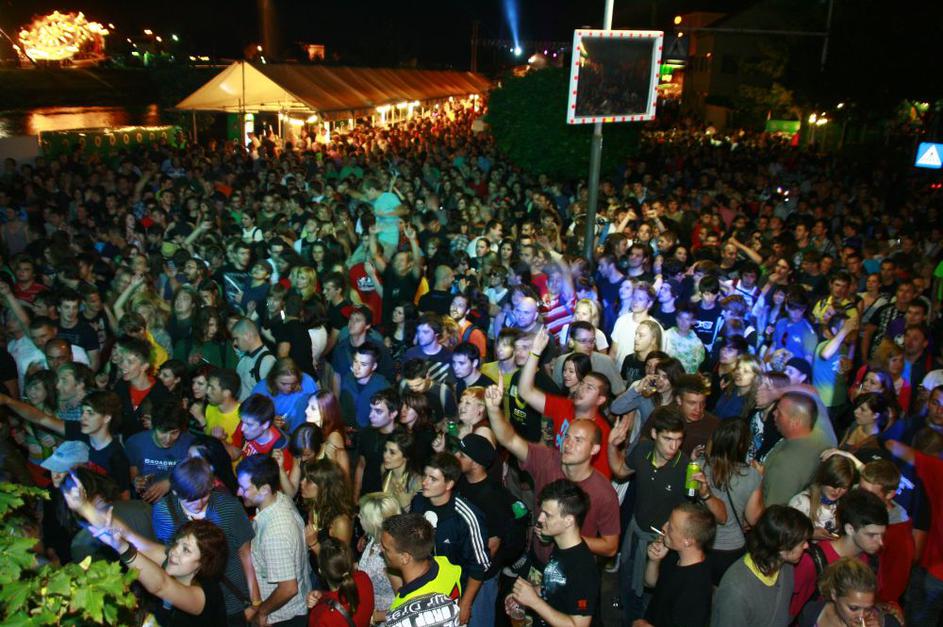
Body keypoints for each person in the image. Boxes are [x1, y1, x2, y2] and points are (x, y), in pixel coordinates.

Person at [485, 377, 620, 565]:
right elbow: (509, 439)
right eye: (567, 436)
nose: (568, 444)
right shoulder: (547, 459)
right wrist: (493, 410)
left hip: (572, 569)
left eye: (578, 440)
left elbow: (610, 546)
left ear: (594, 449)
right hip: (538, 559)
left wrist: (565, 536)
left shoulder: (603, 492)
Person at [67, 478, 230, 626]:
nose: (174, 552)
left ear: (204, 562)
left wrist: (122, 547)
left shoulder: (205, 594)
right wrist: (84, 507)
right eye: (177, 543)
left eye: (186, 550)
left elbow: (161, 586)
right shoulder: (174, 560)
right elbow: (128, 535)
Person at [151, 458, 260, 623]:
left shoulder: (229, 506)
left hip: (232, 601)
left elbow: (245, 553)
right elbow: (167, 557)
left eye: (205, 495)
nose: (200, 503)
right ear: (175, 492)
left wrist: (255, 601)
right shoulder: (163, 511)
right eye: (192, 499)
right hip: (189, 602)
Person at [0, 389, 131, 498]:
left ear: (107, 418)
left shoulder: (116, 456)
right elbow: (40, 418)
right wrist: (8, 401)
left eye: (90, 413)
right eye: (83, 412)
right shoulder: (78, 431)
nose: (83, 418)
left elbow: (124, 496)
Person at [519, 326, 612, 478]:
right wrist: (535, 352)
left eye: (589, 387)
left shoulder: (602, 431)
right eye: (582, 384)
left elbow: (600, 479)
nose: (581, 389)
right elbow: (525, 391)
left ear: (600, 399)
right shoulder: (563, 405)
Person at [409, 452, 491, 626]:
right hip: (424, 587)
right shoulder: (418, 501)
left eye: (433, 479)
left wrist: (465, 604)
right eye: (425, 475)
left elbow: (479, 565)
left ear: (449, 484)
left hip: (455, 591)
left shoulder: (467, 517)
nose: (424, 482)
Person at [505, 479, 599, 627]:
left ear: (568, 521)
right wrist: (525, 595)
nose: (540, 519)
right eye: (541, 512)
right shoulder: (560, 547)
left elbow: (579, 625)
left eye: (547, 515)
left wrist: (534, 602)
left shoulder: (582, 568)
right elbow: (554, 589)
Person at [236, 454, 311, 626]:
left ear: (264, 490)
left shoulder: (275, 533)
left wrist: (262, 612)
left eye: (244, 488)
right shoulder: (280, 498)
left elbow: (288, 588)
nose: (239, 492)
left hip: (282, 618)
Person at [790, 488, 889, 618]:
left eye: (882, 535)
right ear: (850, 529)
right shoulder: (813, 561)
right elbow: (791, 610)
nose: (880, 542)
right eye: (872, 535)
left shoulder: (872, 561)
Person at [711, 505, 813, 627]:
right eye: (802, 542)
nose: (807, 546)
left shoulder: (786, 566)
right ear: (781, 546)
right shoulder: (736, 590)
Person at [703, 419, 765, 584]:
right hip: (731, 548)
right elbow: (754, 518)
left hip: (701, 542)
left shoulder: (699, 466)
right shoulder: (751, 476)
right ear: (743, 445)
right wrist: (760, 479)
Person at [637, 502, 716, 627]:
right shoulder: (675, 554)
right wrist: (654, 561)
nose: (664, 527)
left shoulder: (696, 589)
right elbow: (651, 584)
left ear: (687, 541)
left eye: (671, 528)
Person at [761, 391, 832, 506]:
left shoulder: (785, 466)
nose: (774, 413)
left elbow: (773, 510)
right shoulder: (823, 434)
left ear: (795, 422)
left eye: (779, 412)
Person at [382, 513, 463, 610]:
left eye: (386, 549)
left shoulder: (405, 607)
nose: (380, 549)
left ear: (405, 557)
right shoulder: (444, 563)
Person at [797, 557, 902, 627]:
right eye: (853, 608)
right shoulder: (811, 613)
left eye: (868, 609)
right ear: (834, 594)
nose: (861, 616)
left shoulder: (887, 623)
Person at [125, 403, 195, 503]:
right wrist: (136, 481)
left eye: (174, 432)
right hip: (145, 502)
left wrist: (171, 482)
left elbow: (197, 474)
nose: (168, 439)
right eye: (163, 432)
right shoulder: (135, 443)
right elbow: (133, 473)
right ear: (153, 427)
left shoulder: (190, 443)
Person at [305, 537, 375, 627]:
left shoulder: (321, 615)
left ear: (321, 571)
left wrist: (317, 605)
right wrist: (322, 596)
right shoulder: (364, 578)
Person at [356, 492, 403, 623]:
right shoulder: (373, 538)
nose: (358, 516)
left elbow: (405, 603)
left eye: (362, 515)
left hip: (387, 620)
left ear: (374, 523)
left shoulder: (390, 555)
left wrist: (377, 617)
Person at [788, 454, 858, 539]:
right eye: (833, 485)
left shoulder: (842, 503)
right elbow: (786, 535)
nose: (837, 491)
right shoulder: (801, 502)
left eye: (843, 487)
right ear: (823, 478)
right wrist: (810, 534)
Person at [233, 318, 276, 401]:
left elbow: (272, 397)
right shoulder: (243, 359)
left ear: (247, 336)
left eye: (236, 338)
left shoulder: (268, 361)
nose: (235, 343)